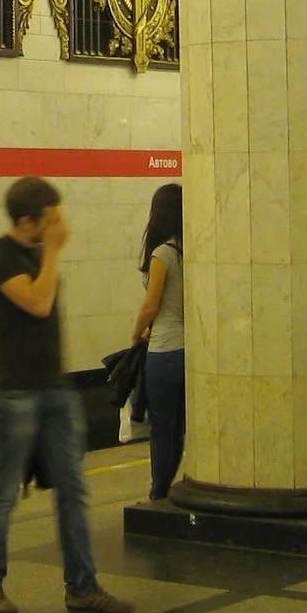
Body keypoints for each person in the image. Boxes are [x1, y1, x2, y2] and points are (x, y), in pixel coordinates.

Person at [0, 177, 134, 613]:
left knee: (74, 490)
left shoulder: (40, 255)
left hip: (54, 388)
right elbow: (38, 304)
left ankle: (81, 586)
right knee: (5, 491)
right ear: (29, 221)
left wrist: (50, 253)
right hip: (14, 392)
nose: (61, 225)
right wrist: (55, 252)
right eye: (53, 218)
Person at [128, 184, 184, 502]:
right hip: (190, 351)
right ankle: (167, 488)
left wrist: (137, 333)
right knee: (177, 428)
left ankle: (158, 492)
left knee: (161, 428)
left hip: (164, 351)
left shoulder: (162, 254)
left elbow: (151, 305)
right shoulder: (191, 251)